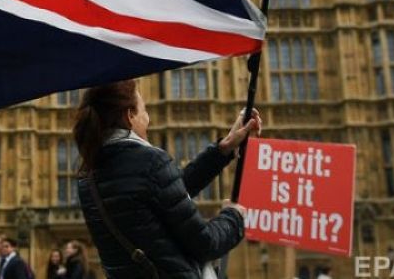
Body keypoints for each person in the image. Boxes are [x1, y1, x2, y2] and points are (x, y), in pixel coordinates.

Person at [73, 81, 261, 279]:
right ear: (129, 116)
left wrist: (224, 148)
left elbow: (166, 195)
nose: (149, 118)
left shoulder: (87, 177)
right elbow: (205, 245)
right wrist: (233, 217)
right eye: (144, 110)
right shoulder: (149, 162)